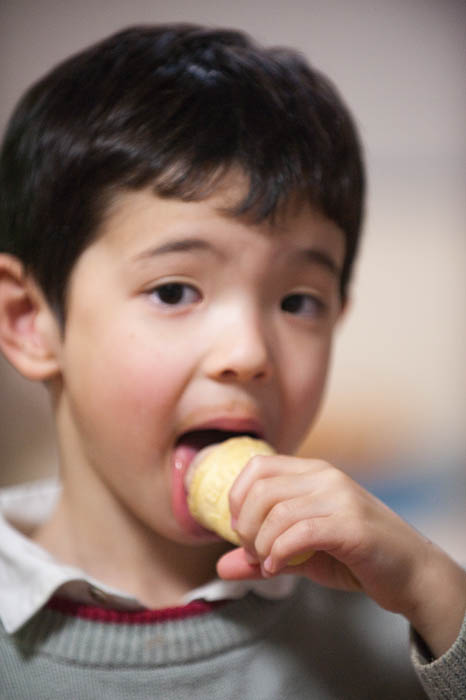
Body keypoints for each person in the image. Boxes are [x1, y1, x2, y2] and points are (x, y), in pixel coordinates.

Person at [0, 24, 464, 700]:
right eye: (173, 291)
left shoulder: (398, 620)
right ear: (30, 322)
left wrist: (437, 590)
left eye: (299, 301)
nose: (249, 353)